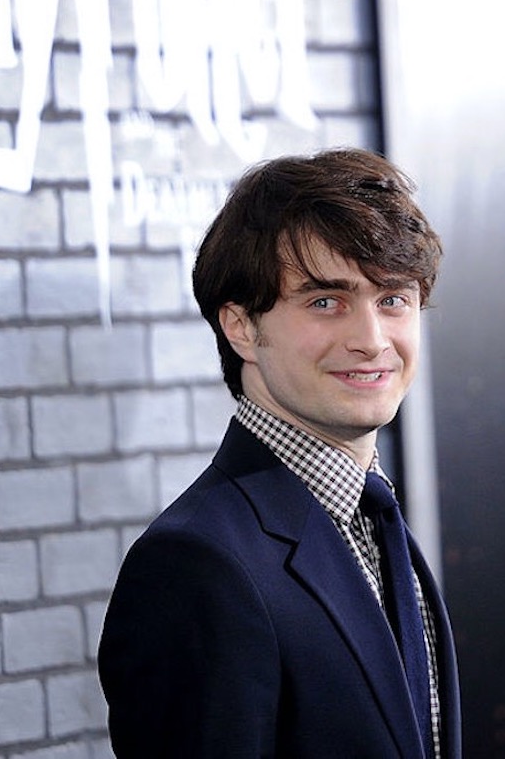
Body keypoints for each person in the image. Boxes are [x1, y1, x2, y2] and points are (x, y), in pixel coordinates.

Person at [98, 147, 461, 758]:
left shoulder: (376, 517)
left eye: (392, 300)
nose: (372, 340)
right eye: (326, 302)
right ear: (241, 326)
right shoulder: (194, 564)